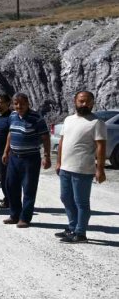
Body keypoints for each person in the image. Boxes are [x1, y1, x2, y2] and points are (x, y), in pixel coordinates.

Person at [55, 91, 107, 243]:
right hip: (66, 167)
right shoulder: (69, 120)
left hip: (83, 169)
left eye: (88, 102)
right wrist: (59, 162)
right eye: (81, 101)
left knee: (81, 202)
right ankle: (72, 228)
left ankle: (80, 233)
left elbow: (101, 147)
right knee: (65, 198)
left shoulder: (97, 122)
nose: (84, 104)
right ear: (75, 101)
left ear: (92, 103)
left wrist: (100, 169)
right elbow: (62, 142)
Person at [2, 93, 51, 227]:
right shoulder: (12, 116)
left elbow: (45, 137)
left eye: (22, 103)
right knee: (11, 187)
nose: (19, 106)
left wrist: (47, 156)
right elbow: (10, 134)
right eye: (16, 104)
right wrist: (6, 152)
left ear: (28, 103)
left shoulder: (36, 118)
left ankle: (25, 218)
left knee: (29, 189)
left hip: (30, 159)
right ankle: (14, 215)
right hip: (14, 158)